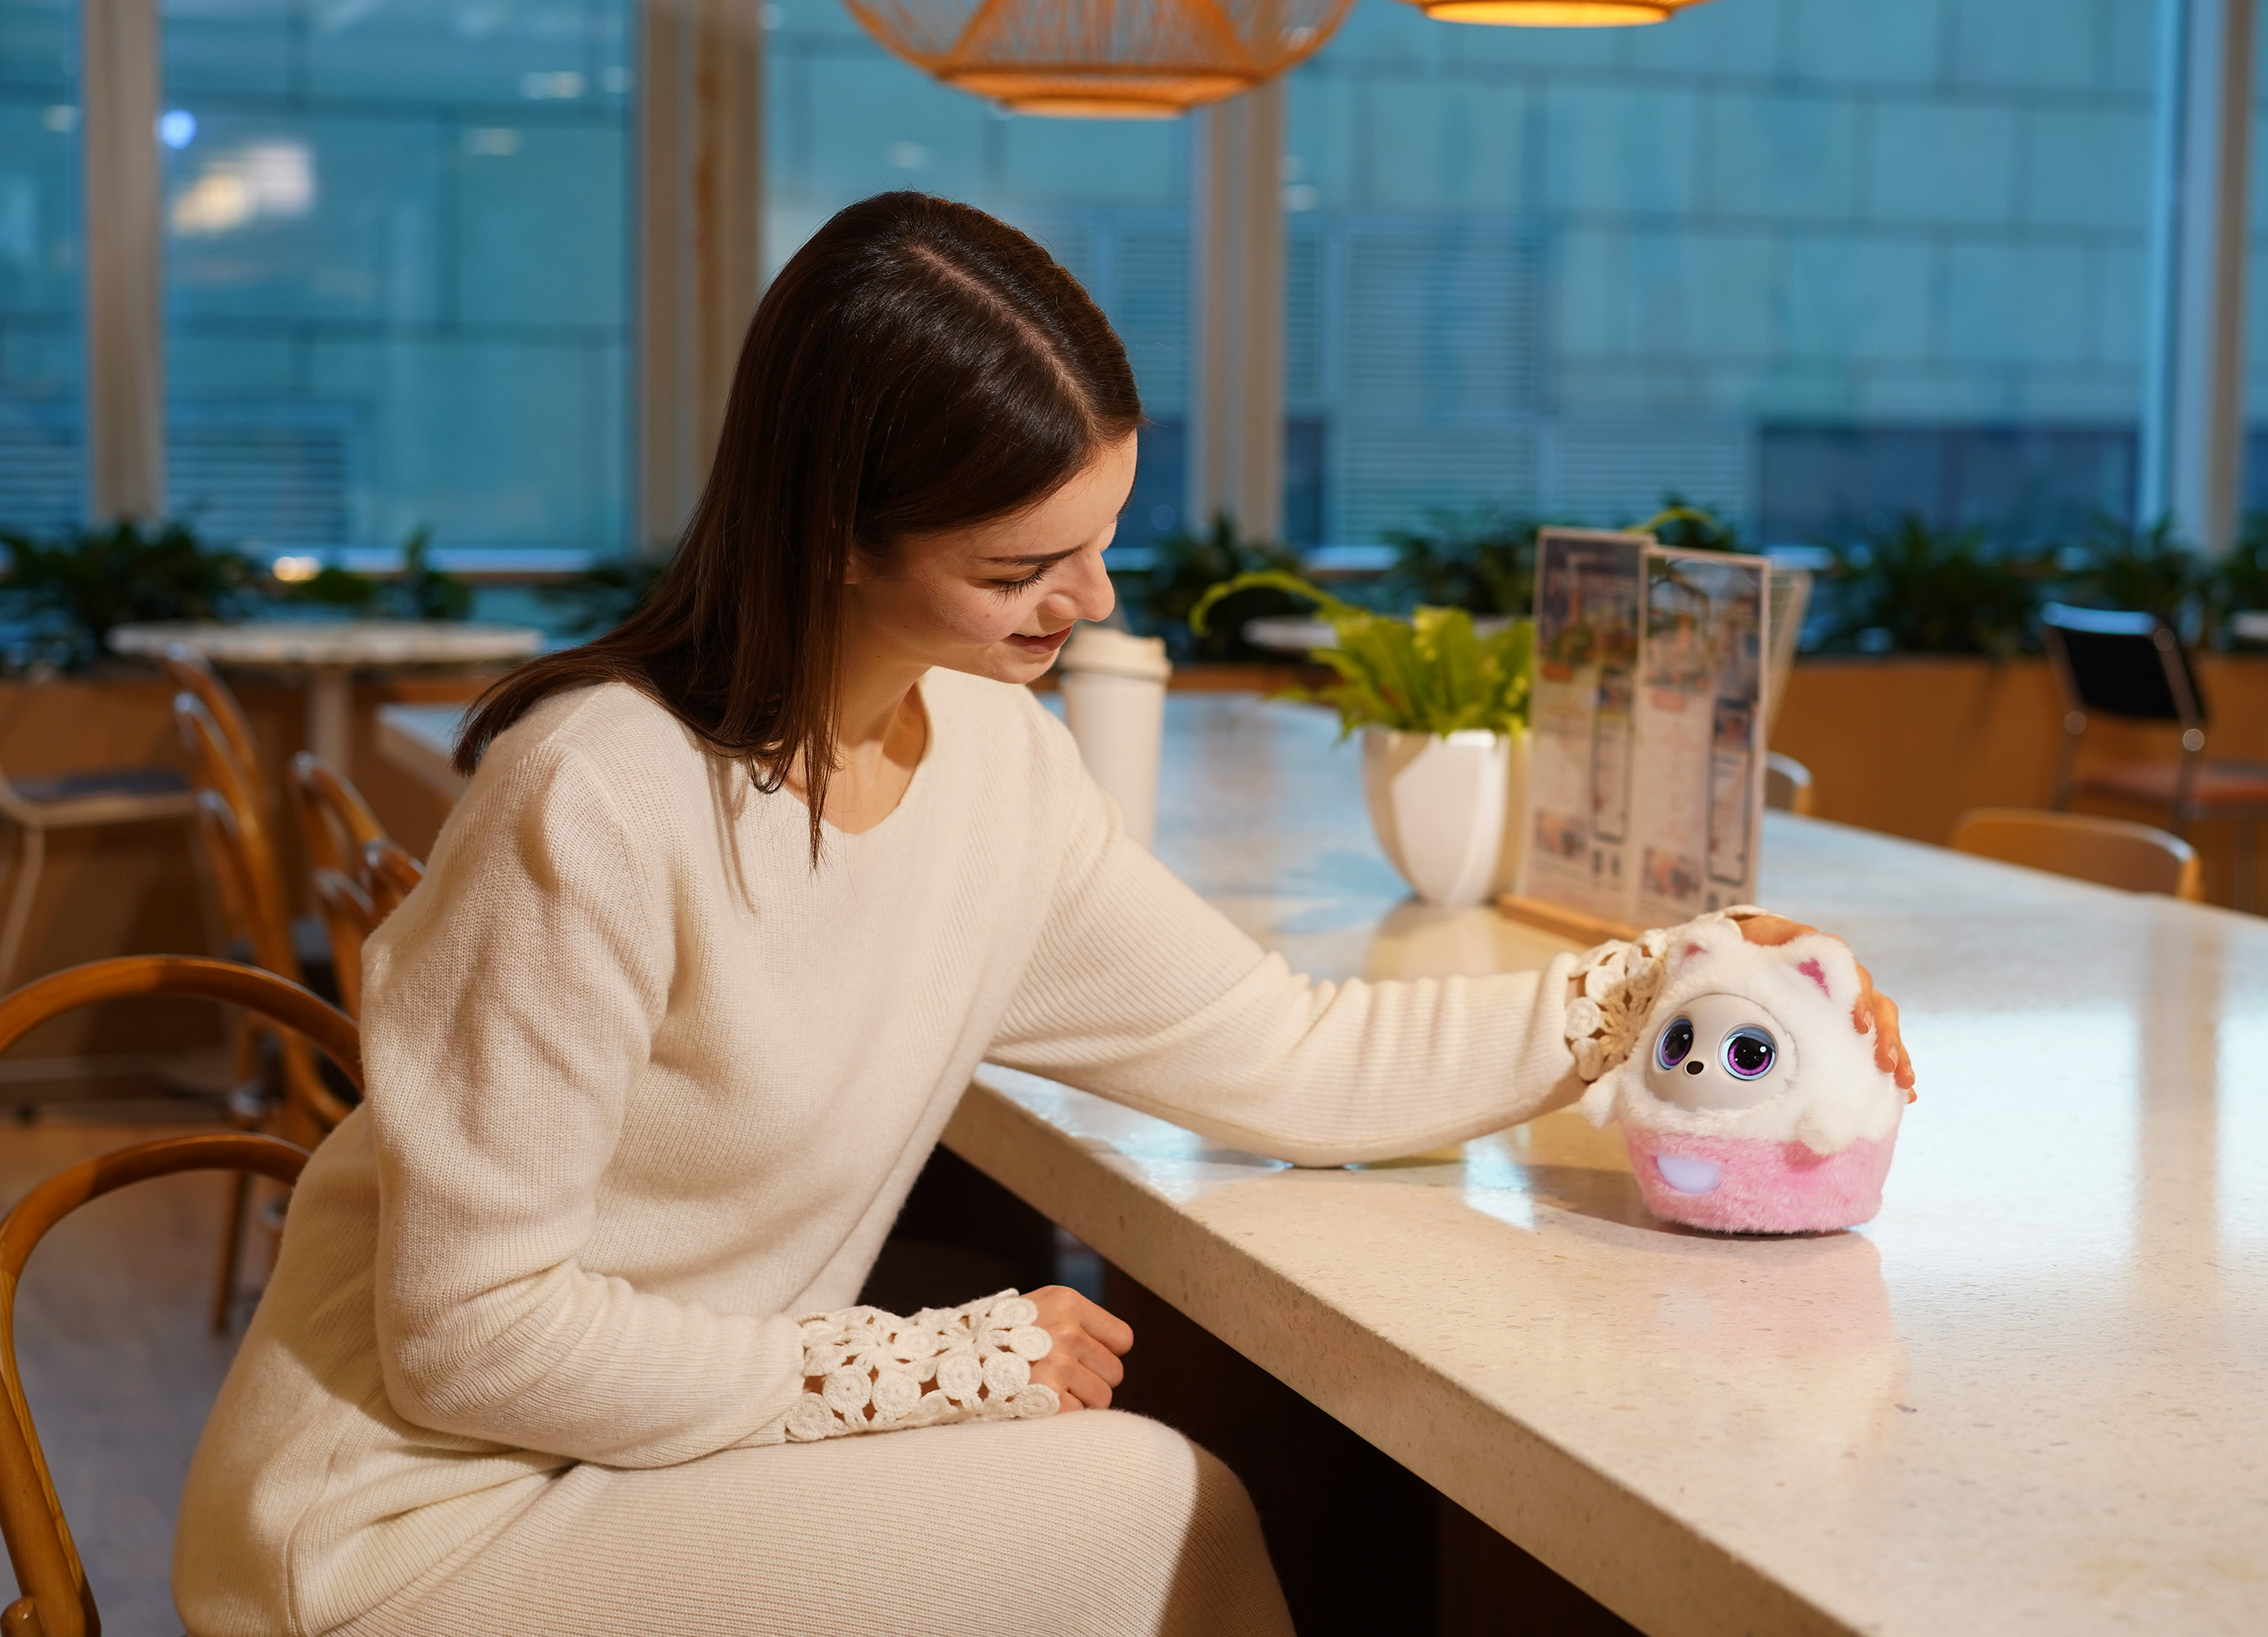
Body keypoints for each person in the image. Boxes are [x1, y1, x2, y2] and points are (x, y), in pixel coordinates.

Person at [173, 192, 1910, 1637]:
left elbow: (1296, 1051)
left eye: (1100, 538)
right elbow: (470, 1332)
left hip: (647, 1466)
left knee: (1170, 1511)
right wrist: (920, 1365)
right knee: (1161, 1509)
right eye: (1022, 568)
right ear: (837, 535)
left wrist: (1677, 985)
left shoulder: (996, 768)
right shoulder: (599, 797)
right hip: (407, 1532)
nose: (1086, 601)